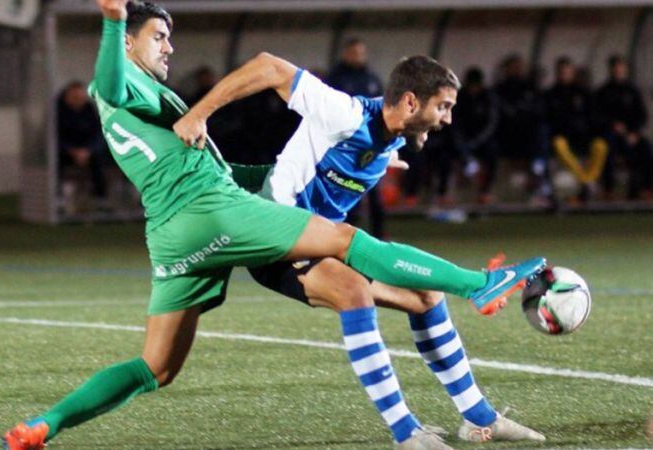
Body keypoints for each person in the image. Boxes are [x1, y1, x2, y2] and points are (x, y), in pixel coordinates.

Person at [1, 2, 545, 449]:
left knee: (157, 367)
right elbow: (115, 88)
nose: (169, 46)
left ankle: (44, 426)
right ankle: (477, 290)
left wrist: (349, 162)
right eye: (159, 35)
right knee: (349, 247)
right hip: (212, 209)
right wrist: (114, 19)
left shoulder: (155, 99)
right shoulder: (130, 87)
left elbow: (210, 164)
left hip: (173, 232)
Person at [192, 54, 546, 449]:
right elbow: (268, 66)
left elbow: (357, 150)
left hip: (314, 240)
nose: (447, 119)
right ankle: (406, 430)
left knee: (427, 295)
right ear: (411, 102)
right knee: (352, 290)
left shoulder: (388, 133)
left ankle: (479, 418)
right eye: (443, 107)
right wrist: (199, 115)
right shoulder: (343, 112)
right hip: (273, 240)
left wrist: (385, 155)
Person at [328, 37, 387, 237]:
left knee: (375, 196)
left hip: (373, 146)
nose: (358, 57)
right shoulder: (335, 79)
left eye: (361, 53)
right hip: (345, 147)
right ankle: (346, 235)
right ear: (346, 54)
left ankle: (379, 237)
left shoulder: (372, 79)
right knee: (348, 192)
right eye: (354, 53)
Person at [545, 57, 607, 204]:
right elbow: (549, 118)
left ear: (573, 72)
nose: (564, 75)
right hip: (564, 138)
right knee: (558, 143)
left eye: (567, 72)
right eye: (561, 72)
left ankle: (588, 180)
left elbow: (594, 116)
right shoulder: (552, 94)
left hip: (584, 138)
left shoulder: (583, 93)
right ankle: (585, 181)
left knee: (600, 145)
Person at [495, 54, 553, 207]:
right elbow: (503, 115)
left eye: (519, 67)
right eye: (513, 67)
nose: (517, 70)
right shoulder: (500, 90)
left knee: (541, 132)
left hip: (530, 137)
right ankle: (540, 180)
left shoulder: (530, 88)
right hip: (509, 137)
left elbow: (540, 112)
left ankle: (539, 176)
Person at [594, 55, 653, 200]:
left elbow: (642, 116)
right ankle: (608, 189)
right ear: (610, 70)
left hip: (630, 135)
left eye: (620, 67)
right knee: (607, 149)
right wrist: (612, 125)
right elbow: (597, 116)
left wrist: (634, 133)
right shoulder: (603, 91)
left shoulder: (632, 91)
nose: (618, 70)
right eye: (615, 67)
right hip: (611, 135)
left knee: (646, 148)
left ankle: (646, 188)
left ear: (624, 69)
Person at [452, 67, 500, 205]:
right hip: (463, 141)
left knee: (492, 153)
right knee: (450, 151)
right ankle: (455, 192)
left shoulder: (488, 97)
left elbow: (491, 123)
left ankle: (485, 191)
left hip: (482, 140)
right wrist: (464, 145)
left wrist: (476, 142)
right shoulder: (459, 98)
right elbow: (455, 124)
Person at [57, 80, 110, 202]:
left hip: (88, 152)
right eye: (75, 97)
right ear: (67, 97)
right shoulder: (58, 111)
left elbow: (99, 133)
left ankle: (100, 199)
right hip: (66, 152)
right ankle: (58, 198)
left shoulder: (89, 109)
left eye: (81, 97)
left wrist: (88, 150)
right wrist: (72, 151)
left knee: (99, 160)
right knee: (55, 161)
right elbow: (55, 137)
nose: (78, 100)